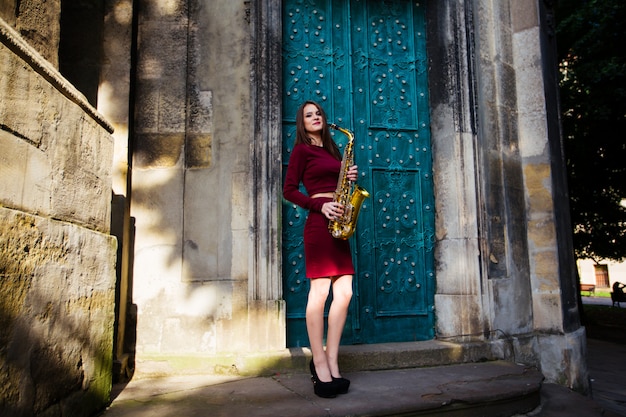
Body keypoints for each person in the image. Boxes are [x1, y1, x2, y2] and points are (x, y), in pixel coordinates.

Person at [283, 100, 359, 398]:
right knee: (320, 293)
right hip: (318, 224)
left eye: (318, 114)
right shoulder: (302, 151)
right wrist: (320, 205)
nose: (315, 117)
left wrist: (349, 180)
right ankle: (318, 362)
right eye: (308, 115)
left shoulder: (333, 150)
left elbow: (338, 186)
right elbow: (289, 190)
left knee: (345, 293)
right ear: (302, 124)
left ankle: (332, 358)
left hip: (339, 228)